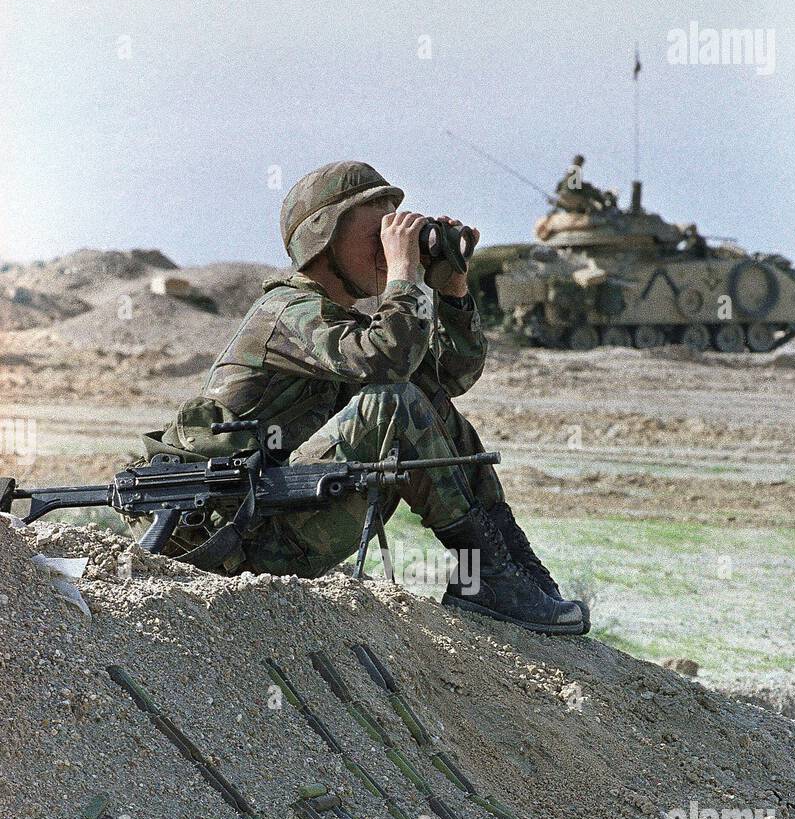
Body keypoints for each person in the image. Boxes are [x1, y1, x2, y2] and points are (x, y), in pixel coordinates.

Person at [138, 161, 590, 636]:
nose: (389, 245)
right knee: (393, 403)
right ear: (322, 238)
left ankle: (502, 568)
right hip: (229, 541)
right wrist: (404, 277)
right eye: (377, 232)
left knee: (430, 406)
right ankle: (488, 579)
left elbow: (448, 378)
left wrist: (452, 290)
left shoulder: (343, 325)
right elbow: (386, 367)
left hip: (277, 519)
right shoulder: (285, 312)